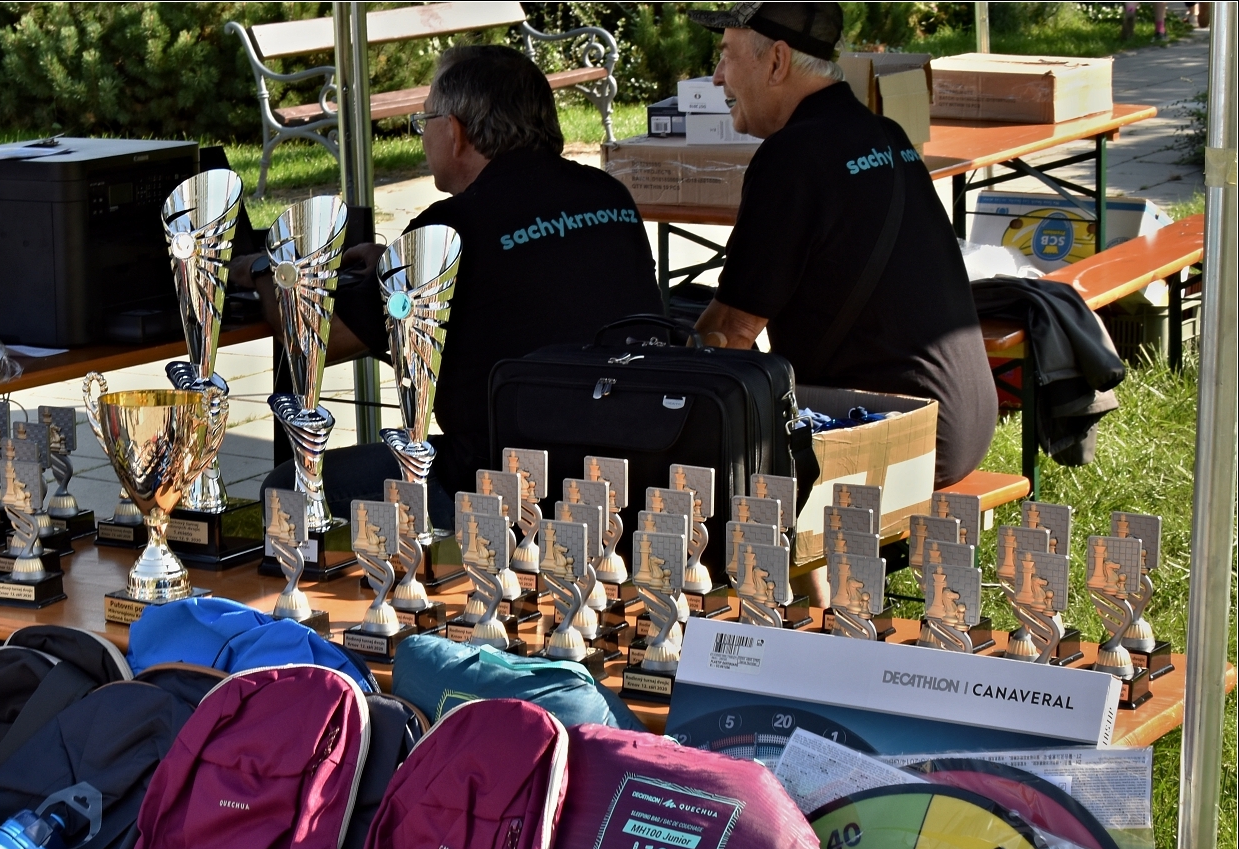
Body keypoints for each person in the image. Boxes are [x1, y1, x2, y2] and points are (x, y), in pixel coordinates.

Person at [255, 43, 662, 521]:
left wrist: (263, 268)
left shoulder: (450, 231)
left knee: (286, 488)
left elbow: (314, 335)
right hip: (632, 465)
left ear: (455, 131)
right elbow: (536, 276)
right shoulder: (607, 194)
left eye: (424, 121)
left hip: (503, 483)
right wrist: (396, 268)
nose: (422, 136)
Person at [692, 2, 996, 487]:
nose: (716, 76)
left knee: (684, 457)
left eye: (727, 55)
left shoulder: (793, 156)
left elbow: (733, 330)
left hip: (901, 434)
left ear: (777, 62)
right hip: (966, 421)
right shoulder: (885, 133)